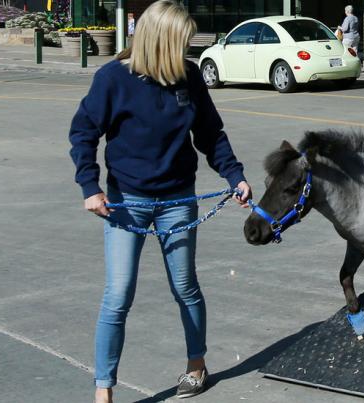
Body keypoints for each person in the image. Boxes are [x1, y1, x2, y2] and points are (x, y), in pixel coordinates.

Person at [68, 1, 252, 401]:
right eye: (181, 42)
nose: (187, 51)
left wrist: (235, 176)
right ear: (160, 41)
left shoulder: (186, 77)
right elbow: (83, 133)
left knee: (186, 287)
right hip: (125, 201)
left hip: (177, 200)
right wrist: (90, 187)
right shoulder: (112, 79)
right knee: (118, 296)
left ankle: (196, 366)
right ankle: (104, 390)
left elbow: (210, 134)